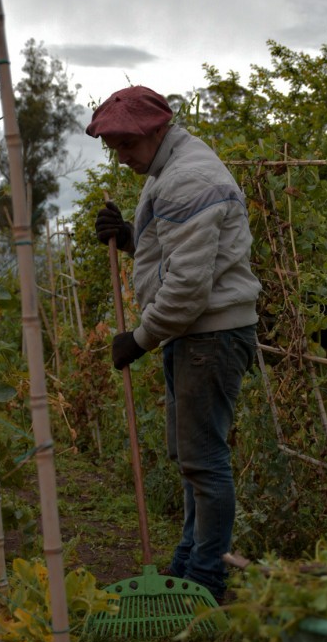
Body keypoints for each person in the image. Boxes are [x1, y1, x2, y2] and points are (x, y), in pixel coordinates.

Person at [86, 85, 261, 602]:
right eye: (113, 147)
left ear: (158, 129)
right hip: (195, 336)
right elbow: (180, 249)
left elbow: (187, 286)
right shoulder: (169, 170)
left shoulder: (188, 177)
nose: (121, 156)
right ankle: (190, 561)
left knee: (204, 462)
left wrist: (138, 340)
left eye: (126, 144)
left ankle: (207, 579)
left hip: (208, 335)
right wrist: (130, 236)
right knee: (191, 458)